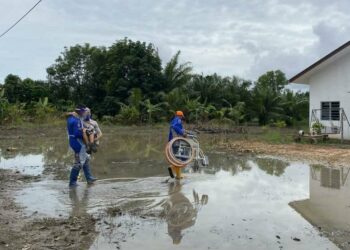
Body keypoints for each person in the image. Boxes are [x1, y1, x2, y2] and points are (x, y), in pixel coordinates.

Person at [67, 104, 97, 187]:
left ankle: (89, 178)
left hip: (75, 140)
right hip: (76, 141)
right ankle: (72, 182)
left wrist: (88, 111)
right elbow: (77, 133)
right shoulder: (75, 120)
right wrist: (85, 132)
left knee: (86, 159)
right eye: (84, 111)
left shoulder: (77, 117)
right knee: (79, 162)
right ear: (80, 112)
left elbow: (87, 118)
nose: (85, 113)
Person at [168, 111, 187, 179]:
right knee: (180, 158)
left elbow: (174, 128)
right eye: (182, 117)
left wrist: (183, 131)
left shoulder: (173, 120)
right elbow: (175, 127)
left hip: (172, 141)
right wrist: (182, 133)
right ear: (180, 116)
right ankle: (172, 167)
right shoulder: (178, 120)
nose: (182, 118)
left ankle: (178, 175)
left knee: (176, 157)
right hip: (176, 141)